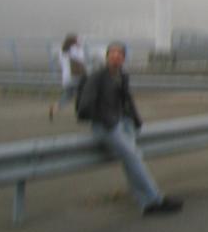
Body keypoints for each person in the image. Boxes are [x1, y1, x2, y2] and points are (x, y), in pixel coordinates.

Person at [76, 42, 182, 215]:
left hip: (123, 123)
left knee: (134, 160)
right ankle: (156, 200)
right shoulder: (97, 76)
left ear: (124, 58)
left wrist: (135, 119)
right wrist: (106, 120)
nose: (116, 56)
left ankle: (147, 203)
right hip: (105, 127)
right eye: (112, 53)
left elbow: (126, 100)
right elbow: (84, 107)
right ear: (107, 56)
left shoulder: (122, 76)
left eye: (120, 54)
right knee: (133, 158)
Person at [50, 33, 86, 121]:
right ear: (74, 42)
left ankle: (55, 108)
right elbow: (80, 59)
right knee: (84, 94)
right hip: (76, 76)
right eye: (78, 40)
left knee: (68, 95)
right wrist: (79, 48)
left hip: (66, 78)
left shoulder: (62, 51)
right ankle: (81, 114)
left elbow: (61, 63)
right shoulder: (74, 50)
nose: (80, 41)